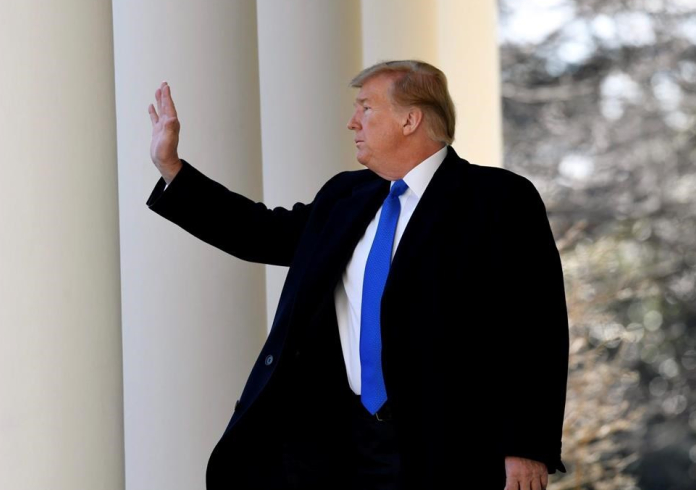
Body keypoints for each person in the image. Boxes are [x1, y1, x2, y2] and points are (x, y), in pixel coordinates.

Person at [146, 60, 569, 490]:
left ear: (410, 119)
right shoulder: (344, 197)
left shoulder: (498, 199)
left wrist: (526, 446)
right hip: (341, 445)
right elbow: (260, 232)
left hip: (451, 445)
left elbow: (536, 328)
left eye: (366, 108)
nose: (352, 123)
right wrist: (172, 168)